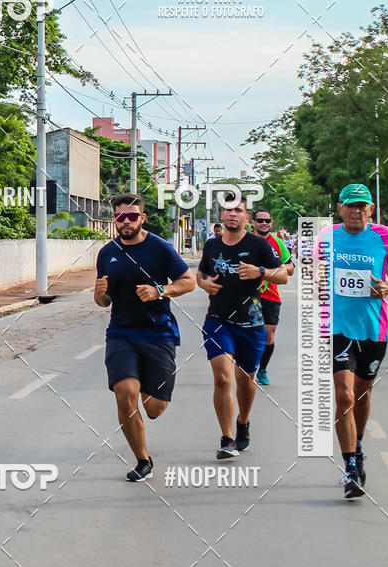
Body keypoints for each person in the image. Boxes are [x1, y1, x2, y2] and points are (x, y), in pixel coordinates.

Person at [94, 193, 195, 481]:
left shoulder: (160, 248)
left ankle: (150, 392)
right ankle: (143, 460)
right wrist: (99, 296)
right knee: (125, 394)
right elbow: (103, 300)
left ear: (142, 218)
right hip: (121, 333)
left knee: (154, 408)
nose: (125, 221)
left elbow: (188, 282)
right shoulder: (107, 252)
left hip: (158, 332)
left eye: (132, 216)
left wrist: (160, 291)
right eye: (120, 217)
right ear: (114, 219)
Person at [317, 184, 388, 499]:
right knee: (343, 396)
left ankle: (357, 445)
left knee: (362, 394)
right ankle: (351, 467)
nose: (356, 211)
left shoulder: (387, 237)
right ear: (340, 208)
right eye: (350, 205)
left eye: (362, 206)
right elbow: (315, 271)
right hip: (338, 327)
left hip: (374, 328)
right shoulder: (326, 237)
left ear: (371, 210)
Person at [197, 195, 287, 459]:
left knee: (245, 379)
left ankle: (243, 422)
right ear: (221, 215)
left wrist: (261, 271)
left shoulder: (258, 245)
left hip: (251, 323)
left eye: (238, 210)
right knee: (223, 375)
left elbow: (281, 274)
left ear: (246, 217)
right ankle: (227, 439)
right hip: (218, 320)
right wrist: (204, 284)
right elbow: (201, 273)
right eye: (228, 210)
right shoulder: (212, 245)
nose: (232, 214)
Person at [251, 209, 295, 385]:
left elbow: (290, 268)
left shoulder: (277, 243)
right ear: (252, 222)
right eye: (260, 220)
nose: (264, 223)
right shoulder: (246, 241)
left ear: (271, 223)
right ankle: (248, 365)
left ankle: (262, 369)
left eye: (267, 220)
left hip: (271, 295)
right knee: (249, 333)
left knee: (269, 335)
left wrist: (272, 271)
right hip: (248, 294)